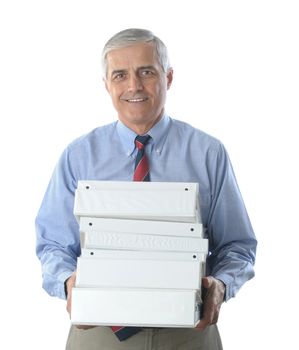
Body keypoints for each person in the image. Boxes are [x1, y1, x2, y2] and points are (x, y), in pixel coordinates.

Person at [35, 28, 257, 350]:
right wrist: (68, 282)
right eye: (120, 75)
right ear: (106, 85)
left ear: (168, 77)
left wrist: (221, 285)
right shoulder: (78, 156)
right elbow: (53, 243)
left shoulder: (208, 154)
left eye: (146, 72)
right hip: (99, 332)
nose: (134, 86)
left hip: (189, 332)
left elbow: (238, 245)